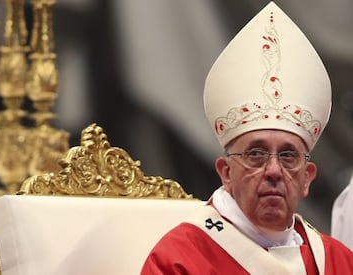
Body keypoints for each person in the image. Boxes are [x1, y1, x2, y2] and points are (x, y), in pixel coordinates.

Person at [141, 2, 353, 274]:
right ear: (226, 172)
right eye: (256, 154)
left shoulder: (337, 262)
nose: (274, 171)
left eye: (288, 156)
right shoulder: (180, 259)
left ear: (307, 178)